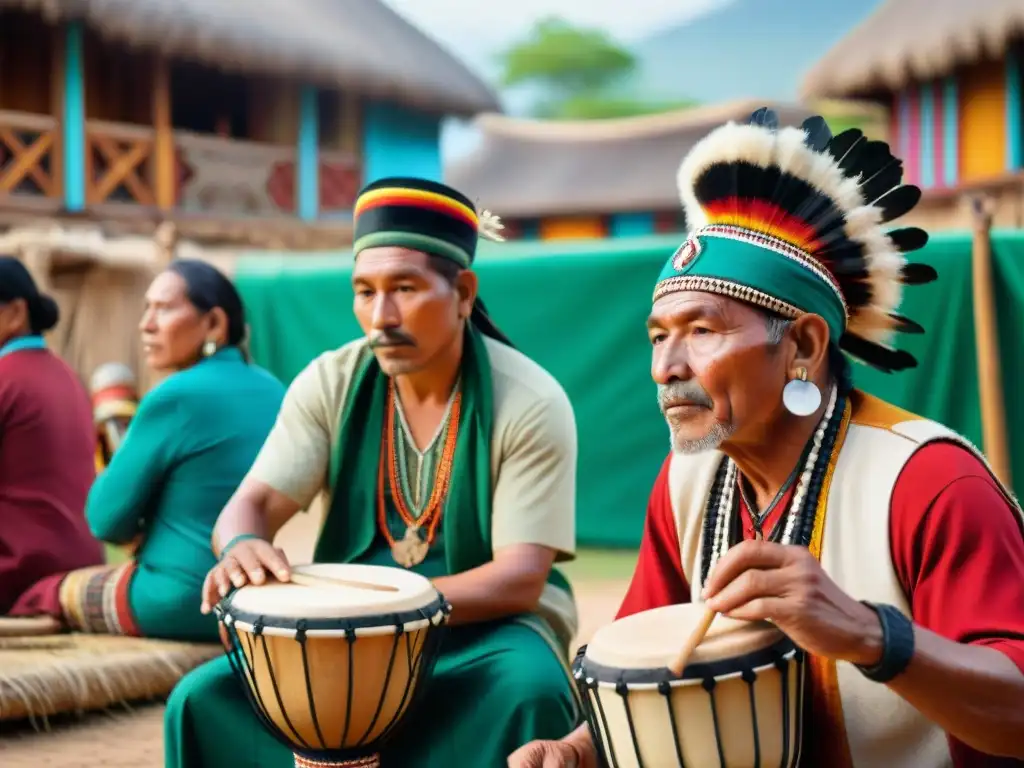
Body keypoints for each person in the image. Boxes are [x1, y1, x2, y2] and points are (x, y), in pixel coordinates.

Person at [510, 109, 1024, 767]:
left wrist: (871, 636)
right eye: (657, 336)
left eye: (701, 331)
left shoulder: (931, 484)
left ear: (804, 345)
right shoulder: (687, 480)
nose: (666, 368)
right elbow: (648, 660)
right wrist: (578, 751)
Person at [163, 177, 581, 767]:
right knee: (200, 701)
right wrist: (241, 546)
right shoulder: (330, 381)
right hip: (346, 635)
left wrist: (382, 607)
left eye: (404, 288)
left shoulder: (530, 401)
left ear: (463, 291)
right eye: (364, 291)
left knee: (528, 693)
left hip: (487, 633)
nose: (380, 316)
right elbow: (251, 503)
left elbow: (518, 580)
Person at [61, 259, 285, 641]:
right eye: (147, 308)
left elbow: (105, 519)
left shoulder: (174, 397)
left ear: (214, 323)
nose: (146, 323)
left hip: (179, 598)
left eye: (163, 308)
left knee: (53, 593)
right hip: (256, 597)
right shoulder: (276, 389)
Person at [0, 256, 106, 618]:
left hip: (21, 574)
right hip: (78, 566)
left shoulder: (7, 376)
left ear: (15, 312)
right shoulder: (65, 374)